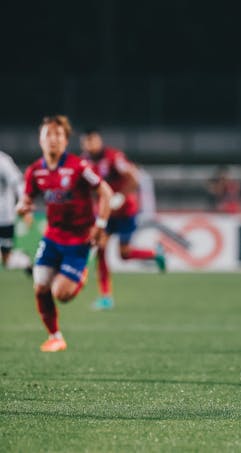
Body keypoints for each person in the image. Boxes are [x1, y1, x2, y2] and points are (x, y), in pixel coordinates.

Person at [16, 115, 113, 352]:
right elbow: (27, 198)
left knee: (61, 294)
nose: (53, 139)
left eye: (58, 134)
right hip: (52, 237)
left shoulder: (79, 166)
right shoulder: (34, 171)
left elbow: (106, 192)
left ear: (66, 140)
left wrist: (100, 224)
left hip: (79, 239)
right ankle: (55, 337)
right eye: (48, 134)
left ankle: (81, 273)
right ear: (40, 139)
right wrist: (22, 207)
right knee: (40, 287)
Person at [80, 128, 166, 310]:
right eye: (87, 141)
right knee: (101, 248)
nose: (90, 145)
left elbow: (134, 178)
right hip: (106, 213)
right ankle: (106, 297)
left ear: (99, 141)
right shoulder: (84, 163)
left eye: (93, 140)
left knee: (124, 254)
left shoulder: (114, 158)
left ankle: (155, 254)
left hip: (126, 212)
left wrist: (121, 196)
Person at [0, 150, 30, 271]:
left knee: (6, 260)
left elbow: (18, 183)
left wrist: (24, 206)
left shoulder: (3, 161)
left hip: (4, 218)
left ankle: (24, 261)